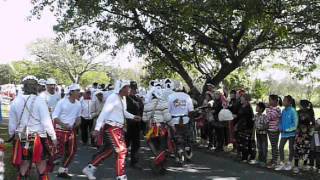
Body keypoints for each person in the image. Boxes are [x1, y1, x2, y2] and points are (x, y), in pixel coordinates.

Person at [82, 80, 141, 180]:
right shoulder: (113, 97)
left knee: (109, 151)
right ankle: (121, 176)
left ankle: (89, 168)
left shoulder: (123, 98)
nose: (129, 89)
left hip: (118, 128)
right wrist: (96, 129)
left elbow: (123, 112)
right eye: (127, 87)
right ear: (122, 88)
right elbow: (104, 113)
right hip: (112, 128)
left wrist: (133, 116)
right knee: (122, 151)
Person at [9, 75, 57, 180]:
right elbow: (46, 122)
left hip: (22, 137)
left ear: (23, 86)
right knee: (41, 165)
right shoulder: (39, 100)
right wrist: (53, 138)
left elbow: (12, 125)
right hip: (38, 138)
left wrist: (12, 135)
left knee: (24, 165)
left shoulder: (15, 101)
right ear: (36, 86)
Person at [52, 83, 81, 178]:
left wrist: (78, 122)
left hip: (71, 131)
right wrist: (63, 125)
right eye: (77, 91)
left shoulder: (78, 103)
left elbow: (78, 117)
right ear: (71, 92)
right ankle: (45, 168)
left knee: (72, 151)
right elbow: (55, 117)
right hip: (60, 130)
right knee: (58, 153)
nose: (79, 93)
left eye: (79, 91)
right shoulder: (62, 102)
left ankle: (62, 170)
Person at [143, 88, 171, 172]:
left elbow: (144, 119)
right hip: (161, 128)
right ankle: (158, 162)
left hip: (151, 129)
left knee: (152, 144)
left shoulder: (146, 105)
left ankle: (158, 158)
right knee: (163, 147)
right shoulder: (164, 104)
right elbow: (167, 118)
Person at [168, 85, 194, 163]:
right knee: (187, 139)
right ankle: (188, 154)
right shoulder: (187, 96)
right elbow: (191, 110)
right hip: (185, 120)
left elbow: (168, 110)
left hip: (174, 121)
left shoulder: (170, 97)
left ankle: (179, 156)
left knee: (177, 140)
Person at [275, 95, 298, 171]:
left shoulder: (293, 111)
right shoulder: (283, 110)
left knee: (291, 148)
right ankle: (282, 163)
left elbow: (295, 124)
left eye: (285, 100)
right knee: (280, 147)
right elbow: (281, 121)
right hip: (283, 134)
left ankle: (289, 163)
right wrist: (280, 127)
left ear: (289, 102)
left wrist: (287, 130)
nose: (283, 102)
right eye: (284, 100)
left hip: (291, 134)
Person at [125, 81, 144, 168]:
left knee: (136, 144)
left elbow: (141, 111)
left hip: (136, 125)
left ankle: (134, 162)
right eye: (132, 88)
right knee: (125, 144)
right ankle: (122, 159)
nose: (133, 90)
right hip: (127, 125)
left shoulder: (138, 99)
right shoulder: (124, 99)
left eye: (134, 88)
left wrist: (142, 126)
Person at [293, 100, 315, 173]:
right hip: (298, 134)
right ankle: (296, 166)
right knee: (297, 149)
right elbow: (296, 123)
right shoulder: (298, 112)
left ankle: (305, 165)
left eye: (300, 104)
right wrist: (298, 134)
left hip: (307, 135)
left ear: (303, 105)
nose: (299, 105)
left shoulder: (310, 112)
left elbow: (313, 124)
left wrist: (308, 134)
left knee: (306, 150)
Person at [234, 94, 255, 162]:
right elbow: (240, 116)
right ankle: (243, 156)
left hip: (247, 127)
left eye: (242, 98)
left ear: (246, 100)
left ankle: (247, 157)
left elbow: (250, 118)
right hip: (241, 126)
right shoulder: (241, 106)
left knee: (246, 142)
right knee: (241, 141)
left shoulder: (248, 107)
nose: (241, 99)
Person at [266, 94, 282, 169]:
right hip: (270, 129)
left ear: (275, 101)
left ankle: (275, 161)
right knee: (273, 146)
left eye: (270, 100)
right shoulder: (272, 108)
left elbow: (270, 117)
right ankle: (274, 159)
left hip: (274, 130)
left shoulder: (277, 109)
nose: (269, 102)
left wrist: (268, 109)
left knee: (274, 146)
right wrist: (269, 109)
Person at [253, 102, 268, 166]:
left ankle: (264, 160)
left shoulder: (264, 116)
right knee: (259, 146)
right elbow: (254, 125)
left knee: (264, 147)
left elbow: (267, 125)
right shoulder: (255, 115)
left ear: (261, 109)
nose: (256, 108)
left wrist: (261, 128)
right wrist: (253, 134)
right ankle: (259, 159)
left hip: (263, 134)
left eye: (257, 107)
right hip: (257, 134)